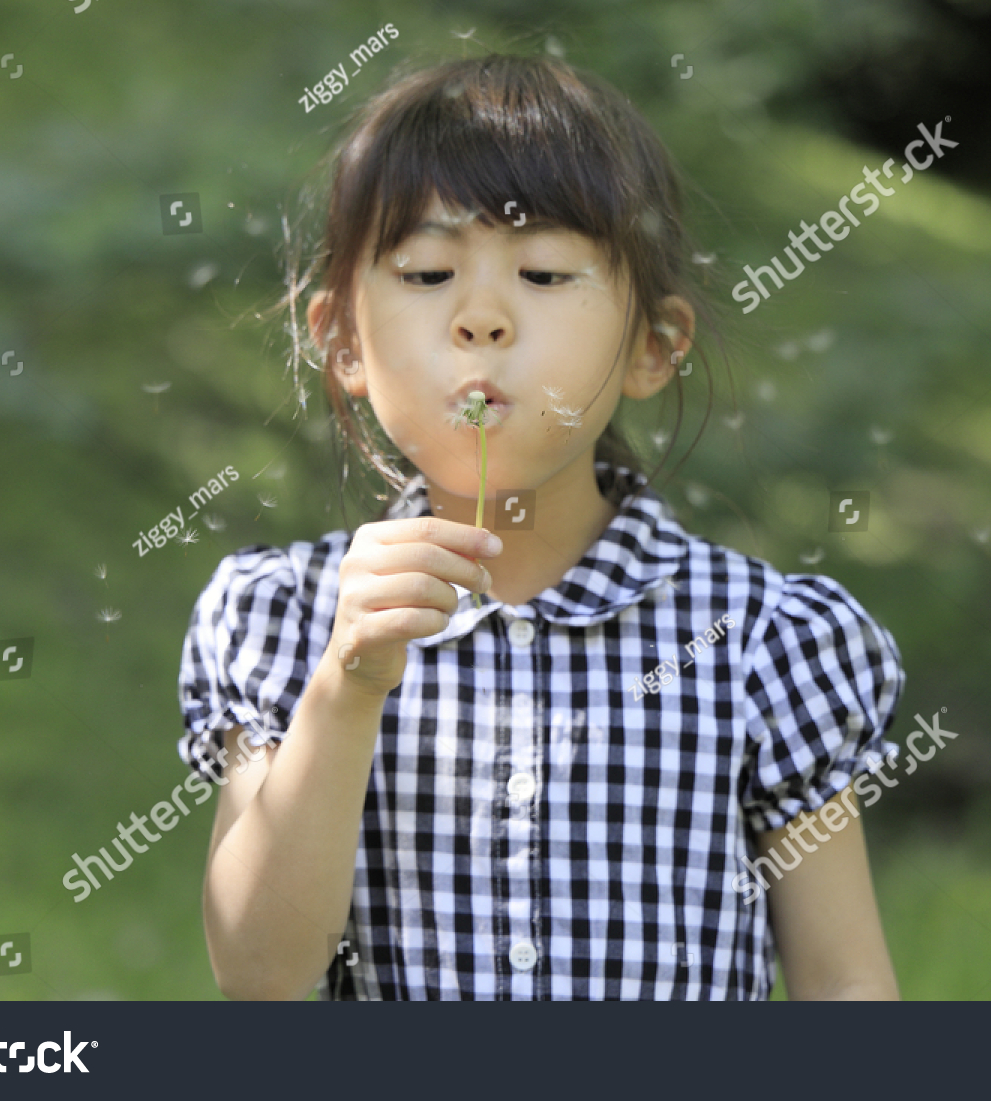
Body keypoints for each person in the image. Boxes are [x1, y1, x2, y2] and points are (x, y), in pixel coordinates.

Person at [177, 52, 905, 1000]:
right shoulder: (285, 619)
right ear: (345, 341)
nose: (481, 318)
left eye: (547, 273)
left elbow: (844, 983)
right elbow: (259, 976)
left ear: (653, 347)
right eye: (429, 271)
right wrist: (348, 689)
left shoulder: (765, 641)